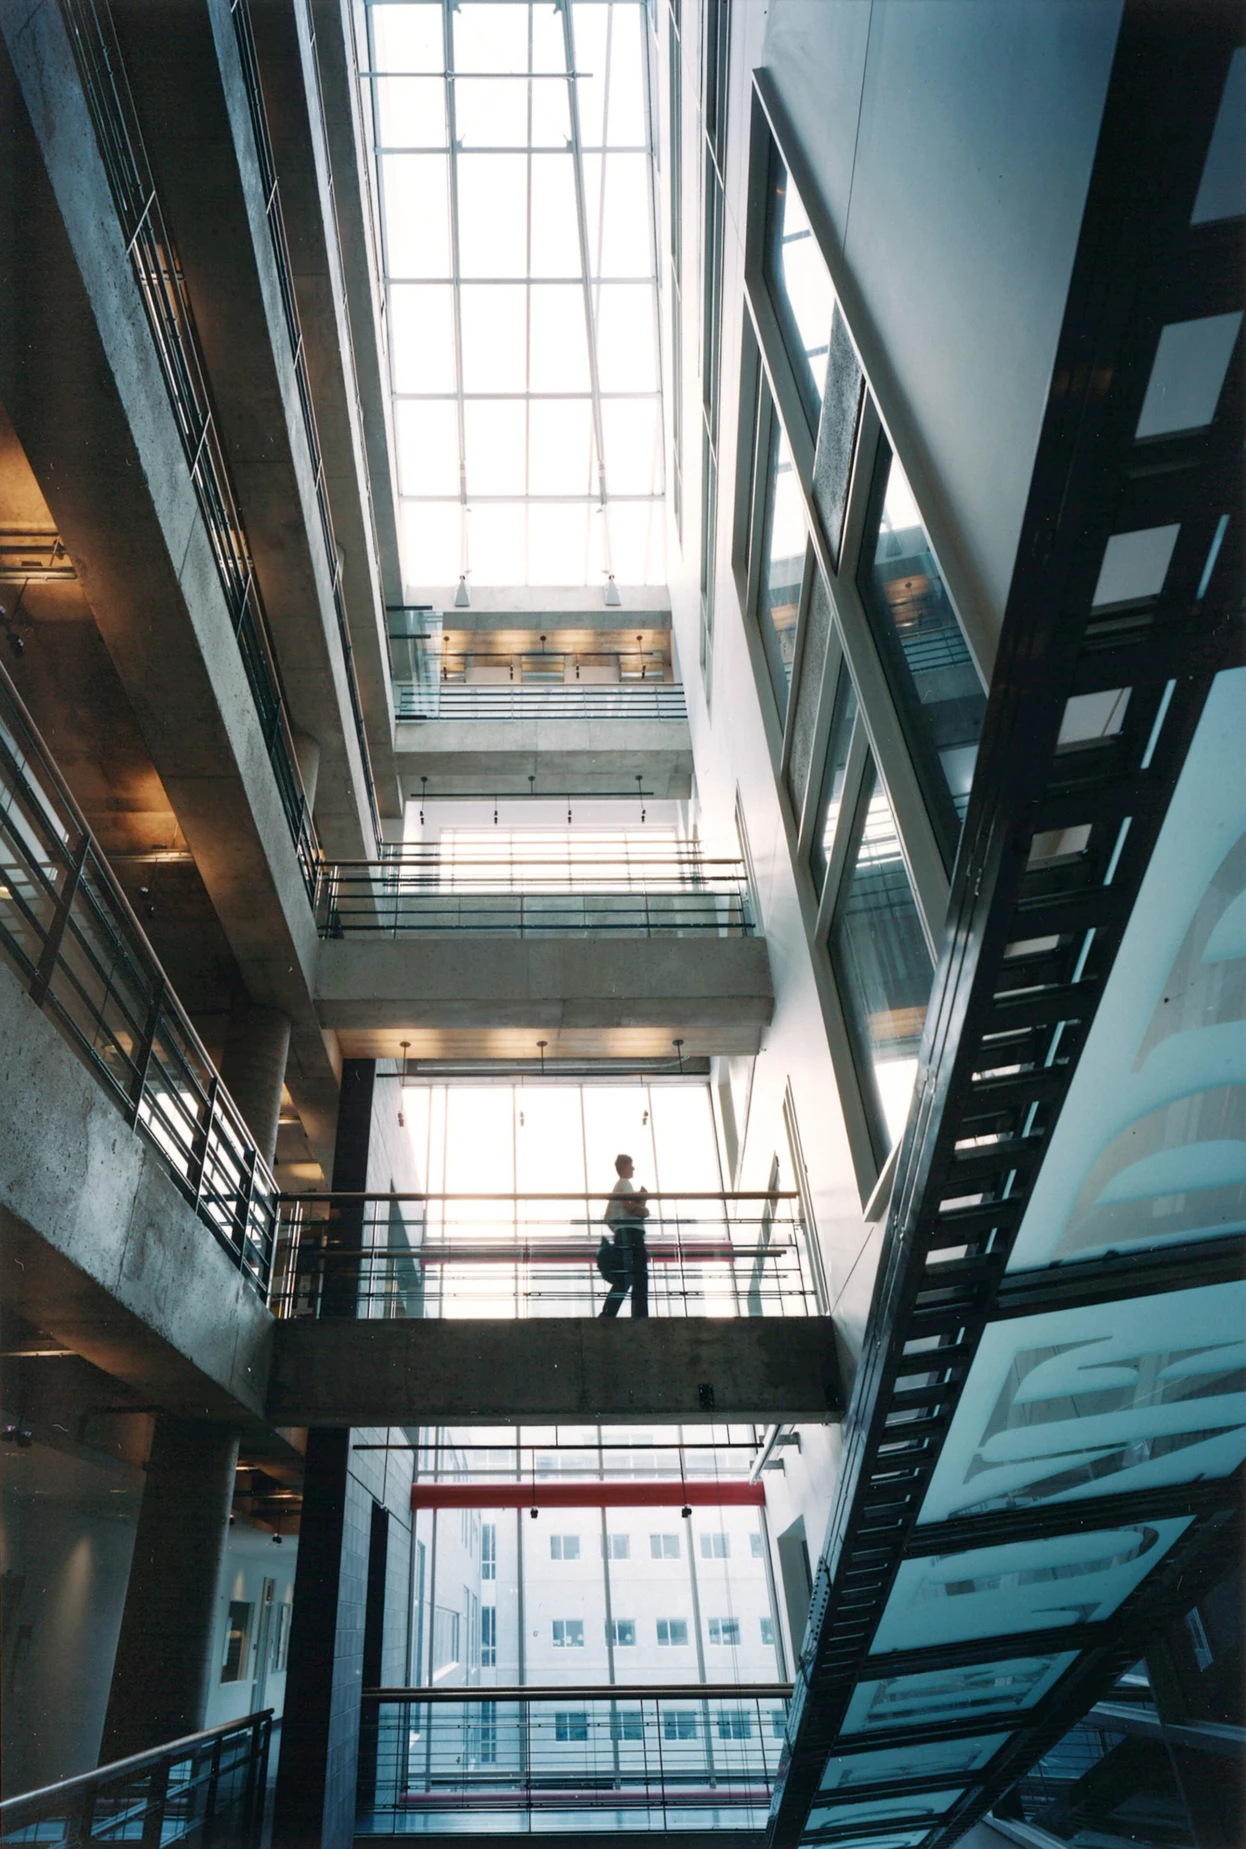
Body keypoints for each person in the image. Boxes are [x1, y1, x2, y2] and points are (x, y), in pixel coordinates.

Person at [599, 1152, 649, 1318]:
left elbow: (608, 1217)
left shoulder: (619, 1186)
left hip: (624, 1234)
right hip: (632, 1235)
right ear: (625, 1167)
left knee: (625, 1277)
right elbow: (630, 1208)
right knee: (639, 1276)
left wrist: (618, 1229)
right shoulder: (625, 1184)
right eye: (631, 1165)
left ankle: (608, 1313)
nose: (633, 1168)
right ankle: (639, 1315)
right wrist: (644, 1208)